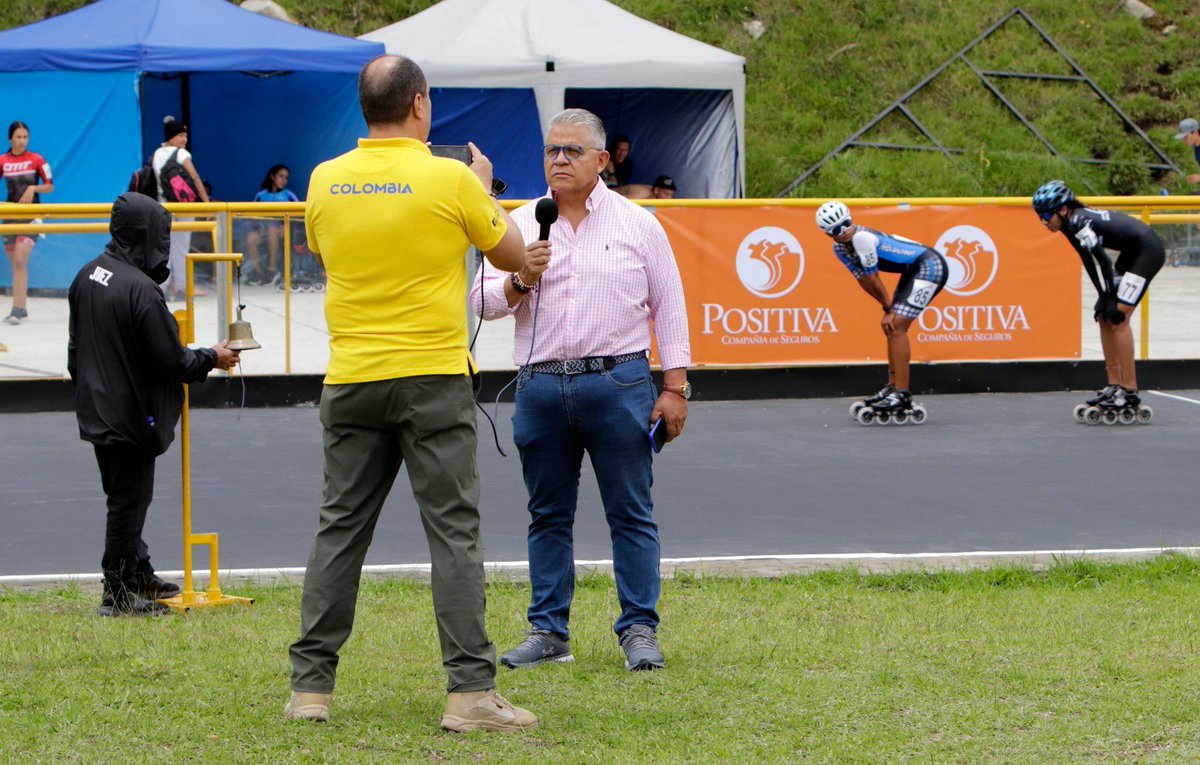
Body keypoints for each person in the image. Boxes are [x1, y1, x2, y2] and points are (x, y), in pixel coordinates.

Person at [285, 54, 537, 733]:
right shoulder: (451, 177)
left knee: (340, 529)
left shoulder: (324, 179)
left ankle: (311, 686)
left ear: (364, 108)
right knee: (453, 533)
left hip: (351, 376)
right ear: (420, 105)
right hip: (431, 377)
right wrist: (482, 191)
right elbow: (513, 255)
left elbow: (320, 248)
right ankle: (470, 692)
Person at [470, 108, 691, 673]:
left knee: (631, 512)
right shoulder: (517, 224)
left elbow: (669, 305)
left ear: (602, 160)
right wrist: (523, 278)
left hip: (619, 381)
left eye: (572, 150)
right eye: (551, 151)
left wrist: (675, 386)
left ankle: (639, 628)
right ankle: (549, 631)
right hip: (541, 386)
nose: (559, 160)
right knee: (546, 514)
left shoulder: (638, 224)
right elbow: (481, 301)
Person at [67, 192, 239, 616]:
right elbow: (171, 359)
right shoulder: (142, 291)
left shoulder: (88, 275)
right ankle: (118, 593)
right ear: (147, 237)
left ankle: (137, 570)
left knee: (124, 494)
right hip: (129, 413)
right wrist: (212, 357)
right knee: (128, 500)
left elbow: (75, 349)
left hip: (96, 405)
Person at [1032, 180, 1165, 421]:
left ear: (1062, 210)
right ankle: (1114, 385)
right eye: (1038, 216)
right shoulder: (1067, 225)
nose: (1042, 221)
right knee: (1105, 316)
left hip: (1147, 250)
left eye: (1045, 215)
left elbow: (1103, 261)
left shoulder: (1078, 221)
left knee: (1119, 317)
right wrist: (1102, 297)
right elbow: (1087, 260)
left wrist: (1109, 297)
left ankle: (1129, 390)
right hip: (1131, 253)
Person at [815, 200, 947, 421]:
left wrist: (888, 309)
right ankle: (892, 386)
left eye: (846, 223)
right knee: (890, 326)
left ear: (851, 219)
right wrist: (885, 308)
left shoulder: (861, 238)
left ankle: (902, 394)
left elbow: (874, 277)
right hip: (913, 270)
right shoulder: (839, 248)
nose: (845, 231)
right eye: (837, 229)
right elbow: (864, 280)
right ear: (829, 234)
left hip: (930, 265)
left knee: (896, 325)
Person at [2, 121, 53, 325]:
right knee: (16, 264)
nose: (22, 141)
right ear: (10, 139)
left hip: (32, 216)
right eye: (18, 137)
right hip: (10, 217)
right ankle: (19, 308)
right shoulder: (3, 160)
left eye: (25, 137)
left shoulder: (37, 159)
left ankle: (18, 308)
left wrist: (34, 188)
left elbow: (49, 186)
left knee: (21, 260)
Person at [153, 116, 210, 300]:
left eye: (185, 135)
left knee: (166, 247)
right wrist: (207, 204)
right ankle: (183, 287)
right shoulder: (182, 154)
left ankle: (163, 286)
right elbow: (195, 177)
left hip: (163, 206)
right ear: (171, 137)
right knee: (181, 248)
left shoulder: (156, 154)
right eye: (180, 135)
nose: (184, 139)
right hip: (183, 207)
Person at [245, 164, 300, 286]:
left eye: (286, 177)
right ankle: (259, 273)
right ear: (272, 176)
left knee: (272, 230)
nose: (283, 180)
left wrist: (286, 226)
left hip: (283, 230)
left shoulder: (289, 195)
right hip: (264, 230)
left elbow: (300, 214)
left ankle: (272, 271)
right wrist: (259, 229)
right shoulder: (261, 195)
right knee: (251, 237)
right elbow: (253, 216)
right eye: (281, 176)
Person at [1175, 118, 1200, 184]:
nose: (1184, 141)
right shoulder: (1197, 149)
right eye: (1183, 138)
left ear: (1195, 133)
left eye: (1186, 137)